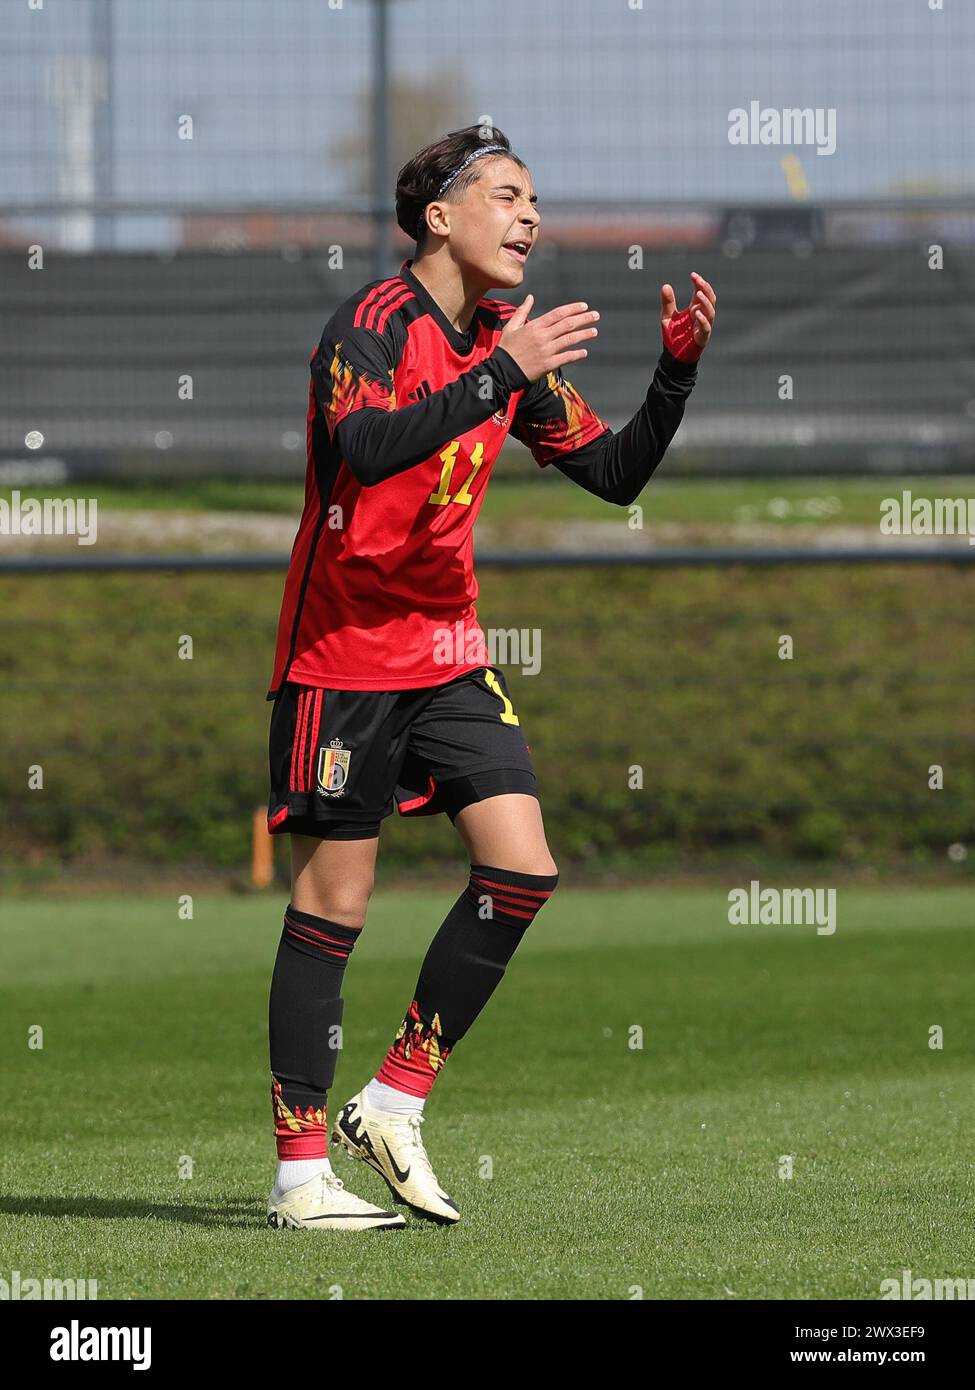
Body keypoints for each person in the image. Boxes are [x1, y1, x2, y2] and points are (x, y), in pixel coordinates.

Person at [264, 124, 716, 1231]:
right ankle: (297, 1178)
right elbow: (368, 447)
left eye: (533, 200)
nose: (530, 218)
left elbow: (612, 474)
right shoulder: (369, 326)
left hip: (447, 653)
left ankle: (396, 1094)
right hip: (341, 659)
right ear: (440, 218)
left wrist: (675, 375)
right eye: (507, 196)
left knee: (522, 865)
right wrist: (498, 374)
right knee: (335, 903)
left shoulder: (505, 339)